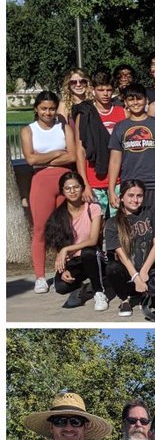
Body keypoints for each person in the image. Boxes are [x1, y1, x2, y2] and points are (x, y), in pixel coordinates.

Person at [22, 90, 79, 294]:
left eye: (52, 108)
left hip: (65, 180)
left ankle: (65, 270)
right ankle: (39, 276)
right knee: (40, 230)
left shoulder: (63, 126)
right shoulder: (29, 130)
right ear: (36, 109)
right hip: (41, 182)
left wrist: (43, 157)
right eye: (44, 108)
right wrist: (56, 153)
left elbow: (72, 156)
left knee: (65, 227)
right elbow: (30, 160)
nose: (48, 112)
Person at [107, 84, 155, 223]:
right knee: (133, 228)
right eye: (131, 99)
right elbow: (115, 160)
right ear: (125, 102)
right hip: (130, 186)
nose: (135, 102)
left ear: (146, 100)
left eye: (139, 99)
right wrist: (111, 189)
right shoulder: (120, 127)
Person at [103, 179, 155, 317]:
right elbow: (121, 254)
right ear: (121, 197)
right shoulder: (112, 223)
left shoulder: (151, 213)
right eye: (131, 195)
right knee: (112, 268)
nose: (135, 200)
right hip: (128, 272)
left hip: (150, 267)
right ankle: (124, 300)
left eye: (139, 196)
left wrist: (144, 271)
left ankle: (145, 294)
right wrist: (136, 277)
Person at [44, 171, 106, 309]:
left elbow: (93, 240)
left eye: (76, 187)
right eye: (68, 188)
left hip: (93, 256)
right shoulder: (58, 215)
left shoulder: (93, 208)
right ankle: (79, 287)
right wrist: (63, 267)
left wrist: (66, 250)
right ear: (62, 191)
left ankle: (99, 292)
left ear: (82, 188)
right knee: (61, 286)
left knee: (88, 252)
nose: (72, 191)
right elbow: (58, 244)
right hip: (74, 261)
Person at [73, 70, 126, 216]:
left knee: (119, 223)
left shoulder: (122, 112)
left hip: (118, 179)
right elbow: (80, 151)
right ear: (93, 90)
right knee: (96, 225)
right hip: (94, 179)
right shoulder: (85, 113)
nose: (105, 94)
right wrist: (84, 184)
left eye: (109, 90)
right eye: (101, 90)